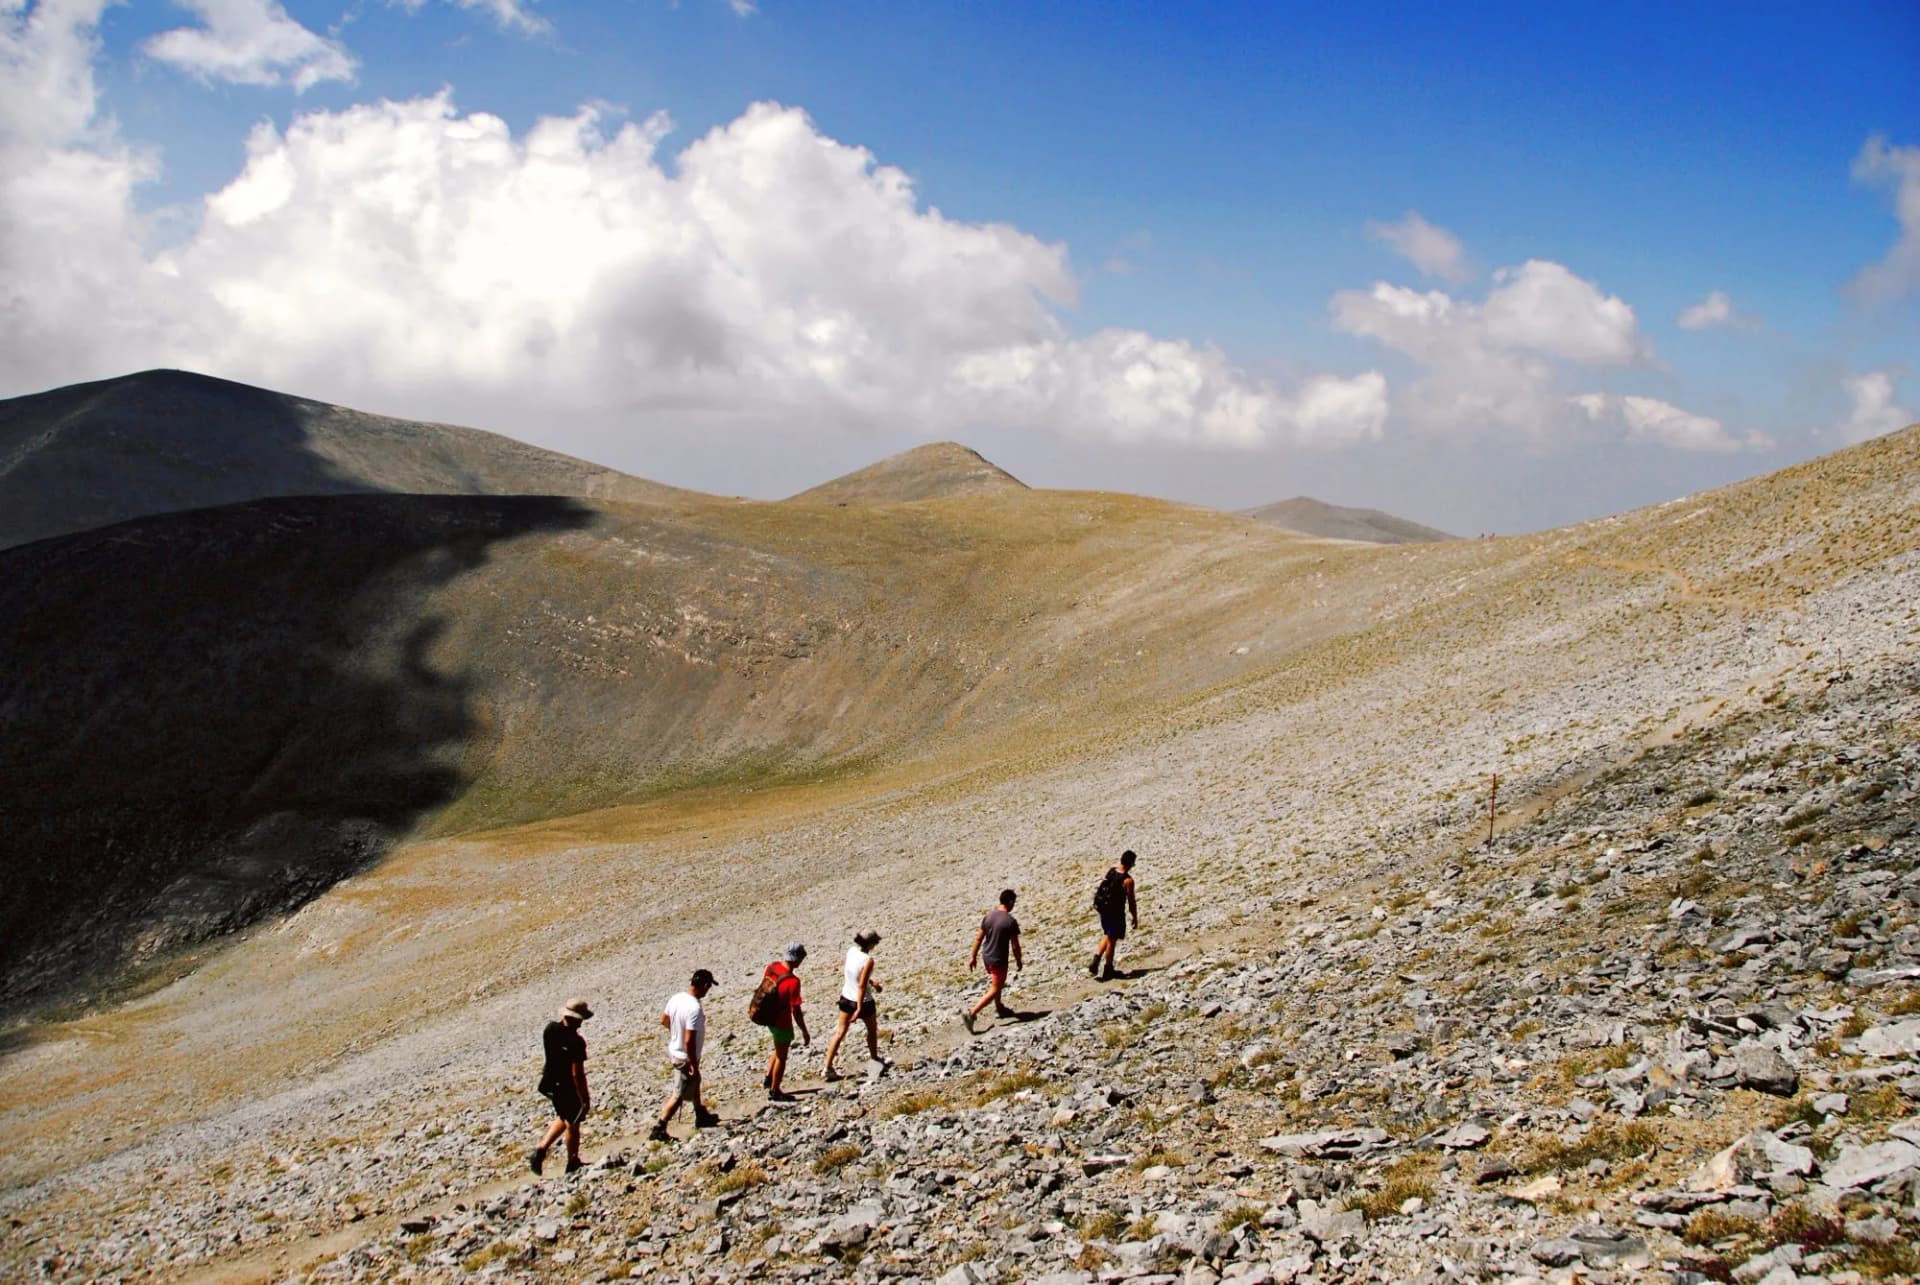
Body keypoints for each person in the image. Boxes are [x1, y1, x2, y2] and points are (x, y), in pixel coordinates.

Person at [652, 969, 719, 1141]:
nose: (708, 990)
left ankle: (700, 1113)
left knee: (695, 1081)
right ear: (704, 985)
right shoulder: (694, 1008)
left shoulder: (677, 998)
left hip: (676, 1051)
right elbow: (689, 1040)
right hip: (685, 1057)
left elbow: (664, 1020)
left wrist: (676, 1033)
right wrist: (693, 1065)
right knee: (679, 1093)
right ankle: (660, 1127)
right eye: (709, 986)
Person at [531, 997, 592, 1175]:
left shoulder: (550, 1030)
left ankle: (541, 1150)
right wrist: (584, 1098)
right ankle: (572, 1161)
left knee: (565, 1116)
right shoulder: (576, 1042)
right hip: (567, 1085)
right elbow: (577, 1073)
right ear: (576, 1018)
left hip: (550, 1082)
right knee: (574, 1122)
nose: (581, 1023)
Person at [822, 931, 890, 1081]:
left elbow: (855, 974)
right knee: (872, 1030)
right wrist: (859, 1007)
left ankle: (827, 1067)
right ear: (871, 944)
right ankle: (874, 1058)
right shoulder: (868, 960)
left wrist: (872, 983)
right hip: (863, 1001)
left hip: (846, 998)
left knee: (840, 1032)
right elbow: (861, 985)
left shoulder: (851, 951)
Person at [964, 890, 1022, 1033]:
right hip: (999, 959)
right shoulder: (1010, 921)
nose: (1014, 905)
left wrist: (973, 957)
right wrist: (1019, 960)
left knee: (998, 983)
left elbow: (979, 938)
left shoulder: (989, 916)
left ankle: (999, 1008)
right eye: (1014, 902)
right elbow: (1015, 946)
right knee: (995, 988)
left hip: (987, 956)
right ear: (1010, 902)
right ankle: (971, 1014)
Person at [759, 943, 811, 1101]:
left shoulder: (772, 967)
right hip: (782, 1021)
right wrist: (804, 1030)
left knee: (778, 1046)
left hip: (767, 1016)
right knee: (782, 1055)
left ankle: (768, 1077)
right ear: (796, 959)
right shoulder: (793, 981)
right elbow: (796, 1010)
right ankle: (775, 1091)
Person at [1089, 850, 1140, 981]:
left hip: (1103, 910)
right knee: (1112, 939)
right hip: (1115, 912)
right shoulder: (1128, 881)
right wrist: (1134, 917)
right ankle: (1108, 968)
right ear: (1131, 863)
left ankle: (1096, 958)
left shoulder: (1112, 871)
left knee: (1107, 933)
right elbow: (1131, 901)